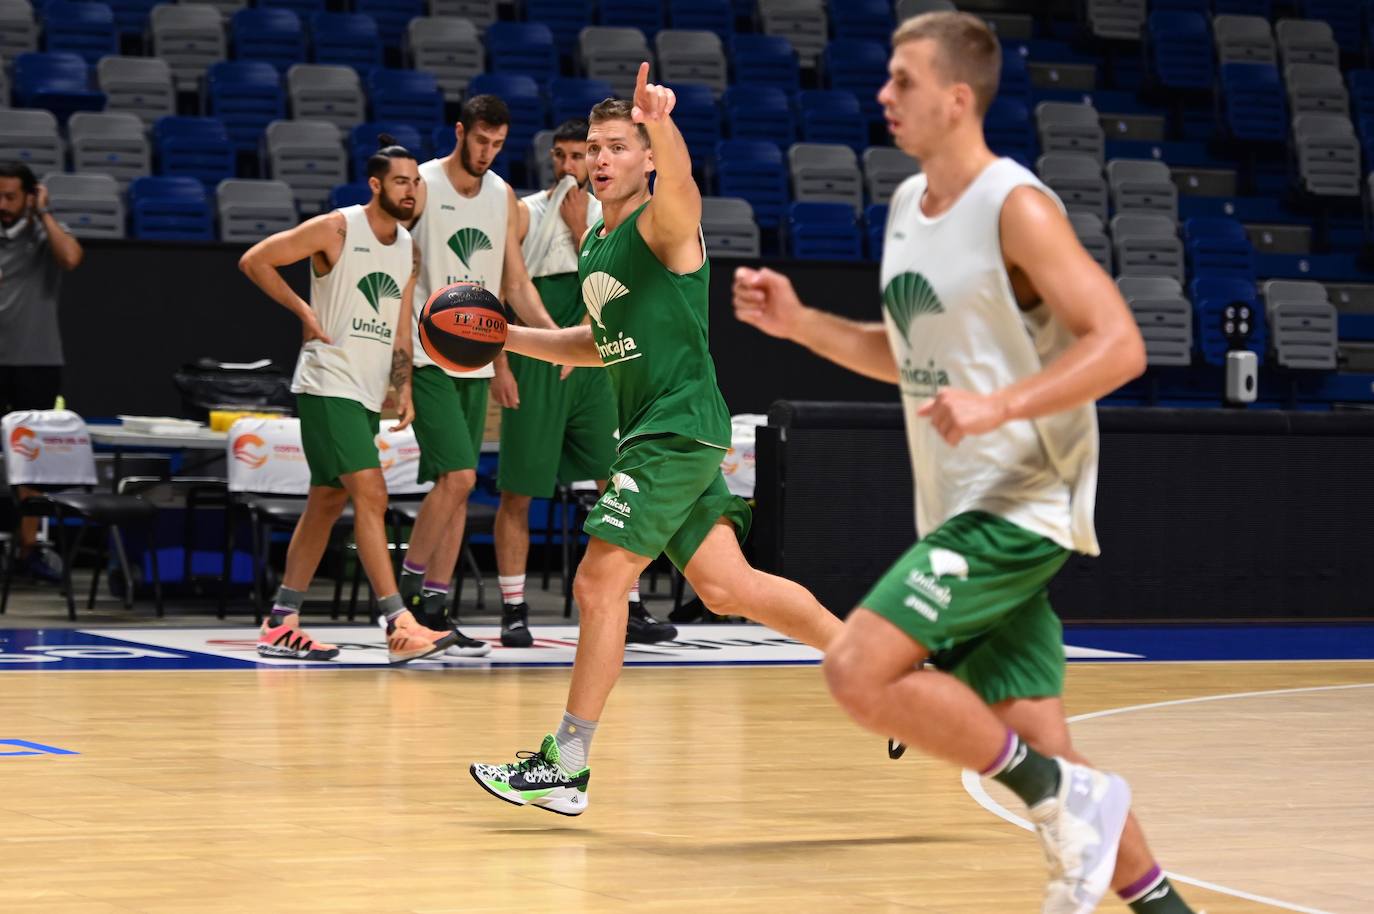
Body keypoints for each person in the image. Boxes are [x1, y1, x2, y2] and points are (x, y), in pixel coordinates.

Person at [732, 13, 1197, 914]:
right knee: (1045, 746)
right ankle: (1158, 896)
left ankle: (1059, 798)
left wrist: (1002, 404)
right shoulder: (910, 206)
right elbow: (901, 356)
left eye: (902, 79)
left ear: (956, 97)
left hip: (1021, 499)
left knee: (857, 670)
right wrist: (801, 326)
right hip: (960, 507)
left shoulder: (1014, 206)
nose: (883, 94)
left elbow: (1122, 343)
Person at [469, 66, 844, 815]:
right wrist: (510, 335)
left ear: (645, 160)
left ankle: (567, 765)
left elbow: (685, 193)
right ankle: (877, 664)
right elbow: (597, 343)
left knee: (598, 584)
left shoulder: (661, 225)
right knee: (727, 587)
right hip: (663, 431)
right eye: (593, 148)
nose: (600, 159)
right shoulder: (601, 241)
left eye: (618, 146)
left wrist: (663, 125)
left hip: (673, 428)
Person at [238, 137, 456, 665]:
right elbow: (256, 260)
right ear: (377, 185)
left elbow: (400, 324)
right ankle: (398, 623)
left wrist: (401, 385)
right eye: (401, 181)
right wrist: (304, 313)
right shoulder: (337, 227)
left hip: (363, 391)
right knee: (372, 493)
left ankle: (280, 621)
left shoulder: (406, 246)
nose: (412, 190)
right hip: (326, 382)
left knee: (326, 503)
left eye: (417, 181)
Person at [497, 117, 677, 645]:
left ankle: (633, 603)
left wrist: (581, 231)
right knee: (519, 490)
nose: (574, 165)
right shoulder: (526, 211)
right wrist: (524, 353)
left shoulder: (616, 215)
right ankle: (513, 608)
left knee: (616, 481)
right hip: (545, 353)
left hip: (601, 357)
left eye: (584, 154)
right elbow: (512, 285)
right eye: (566, 155)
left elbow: (621, 286)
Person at [400, 94, 561, 655]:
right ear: (460, 131)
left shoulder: (501, 196)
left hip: (474, 357)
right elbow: (393, 264)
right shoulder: (420, 183)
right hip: (424, 352)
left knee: (459, 489)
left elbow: (513, 285)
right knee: (461, 478)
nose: (488, 153)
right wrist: (395, 367)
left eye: (498, 145)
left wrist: (551, 340)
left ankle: (436, 610)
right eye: (481, 141)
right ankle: (404, 596)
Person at [0, 162, 84, 583]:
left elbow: (71, 258)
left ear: (30, 195)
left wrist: (44, 214)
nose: (3, 205)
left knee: (31, 464)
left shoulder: (44, 236)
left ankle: (28, 550)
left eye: (12, 197)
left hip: (36, 361)